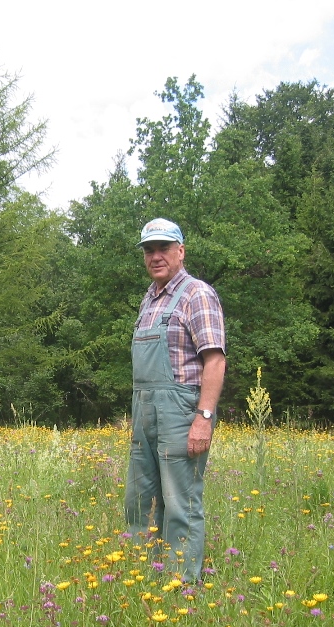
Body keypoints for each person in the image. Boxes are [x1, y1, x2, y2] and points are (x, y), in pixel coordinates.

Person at [125, 218, 226, 584]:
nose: (155, 256)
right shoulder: (149, 300)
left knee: (180, 506)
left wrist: (204, 418)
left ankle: (181, 589)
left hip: (181, 414)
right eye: (149, 250)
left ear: (180, 251)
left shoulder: (197, 294)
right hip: (144, 415)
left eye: (163, 248)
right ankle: (144, 582)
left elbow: (215, 360)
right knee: (141, 503)